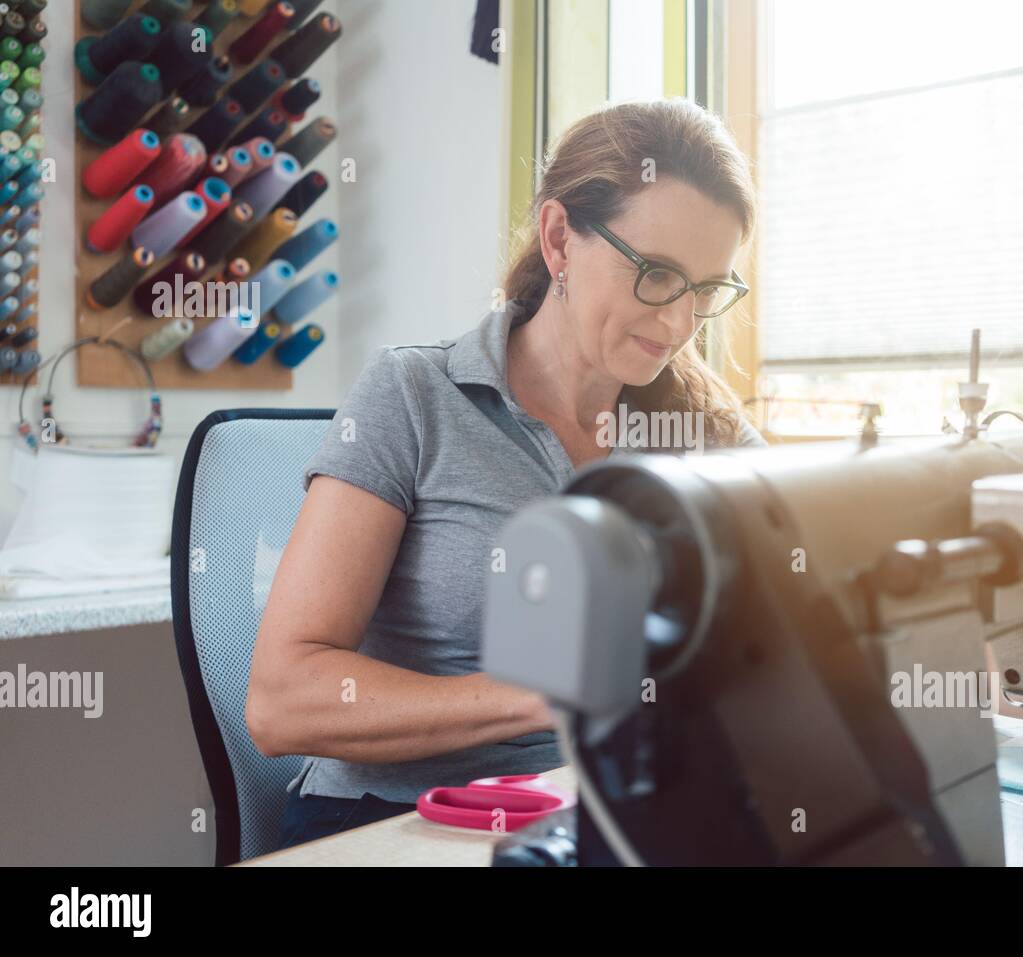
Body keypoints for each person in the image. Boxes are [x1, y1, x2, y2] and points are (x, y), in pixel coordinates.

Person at [247, 98, 767, 850]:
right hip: (400, 824)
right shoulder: (414, 395)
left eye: (707, 290)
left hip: (601, 812)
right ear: (560, 239)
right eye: (657, 274)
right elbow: (280, 701)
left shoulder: (699, 428)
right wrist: (557, 695)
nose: (681, 322)